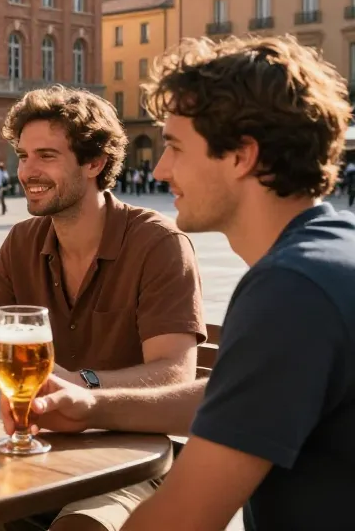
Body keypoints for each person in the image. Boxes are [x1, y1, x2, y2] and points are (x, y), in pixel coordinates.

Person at [22, 35, 355, 531]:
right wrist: (93, 404)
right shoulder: (326, 255)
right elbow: (235, 395)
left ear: (242, 156)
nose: (159, 169)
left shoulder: (291, 290)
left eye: (175, 147)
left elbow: (183, 520)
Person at [0, 86, 204, 531]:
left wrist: (83, 385)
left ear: (94, 163)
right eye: (23, 156)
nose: (27, 172)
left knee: (82, 526)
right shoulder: (23, 241)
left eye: (46, 156)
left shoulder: (158, 243)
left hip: (133, 459)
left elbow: (175, 373)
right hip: (34, 445)